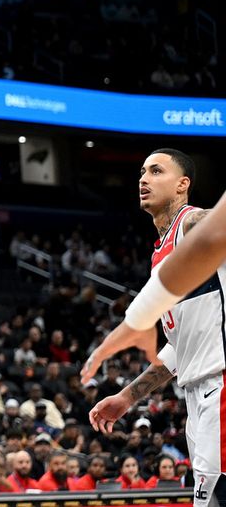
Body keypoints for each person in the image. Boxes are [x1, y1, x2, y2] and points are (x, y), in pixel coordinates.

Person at [85, 150, 224, 507]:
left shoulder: (192, 223)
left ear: (183, 185)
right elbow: (180, 347)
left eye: (157, 171)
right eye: (142, 172)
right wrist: (128, 397)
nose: (144, 178)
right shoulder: (161, 254)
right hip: (198, 395)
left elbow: (216, 225)